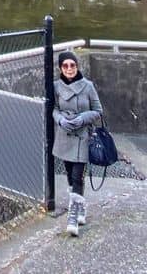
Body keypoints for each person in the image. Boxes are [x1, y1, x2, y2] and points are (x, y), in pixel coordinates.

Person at [52, 50, 103, 236]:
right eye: (65, 66)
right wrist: (60, 120)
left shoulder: (87, 86)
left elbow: (98, 111)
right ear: (60, 68)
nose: (69, 69)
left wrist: (82, 118)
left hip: (82, 137)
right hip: (64, 136)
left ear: (77, 66)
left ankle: (73, 215)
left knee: (77, 175)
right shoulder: (56, 87)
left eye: (72, 65)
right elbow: (54, 109)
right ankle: (80, 206)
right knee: (69, 174)